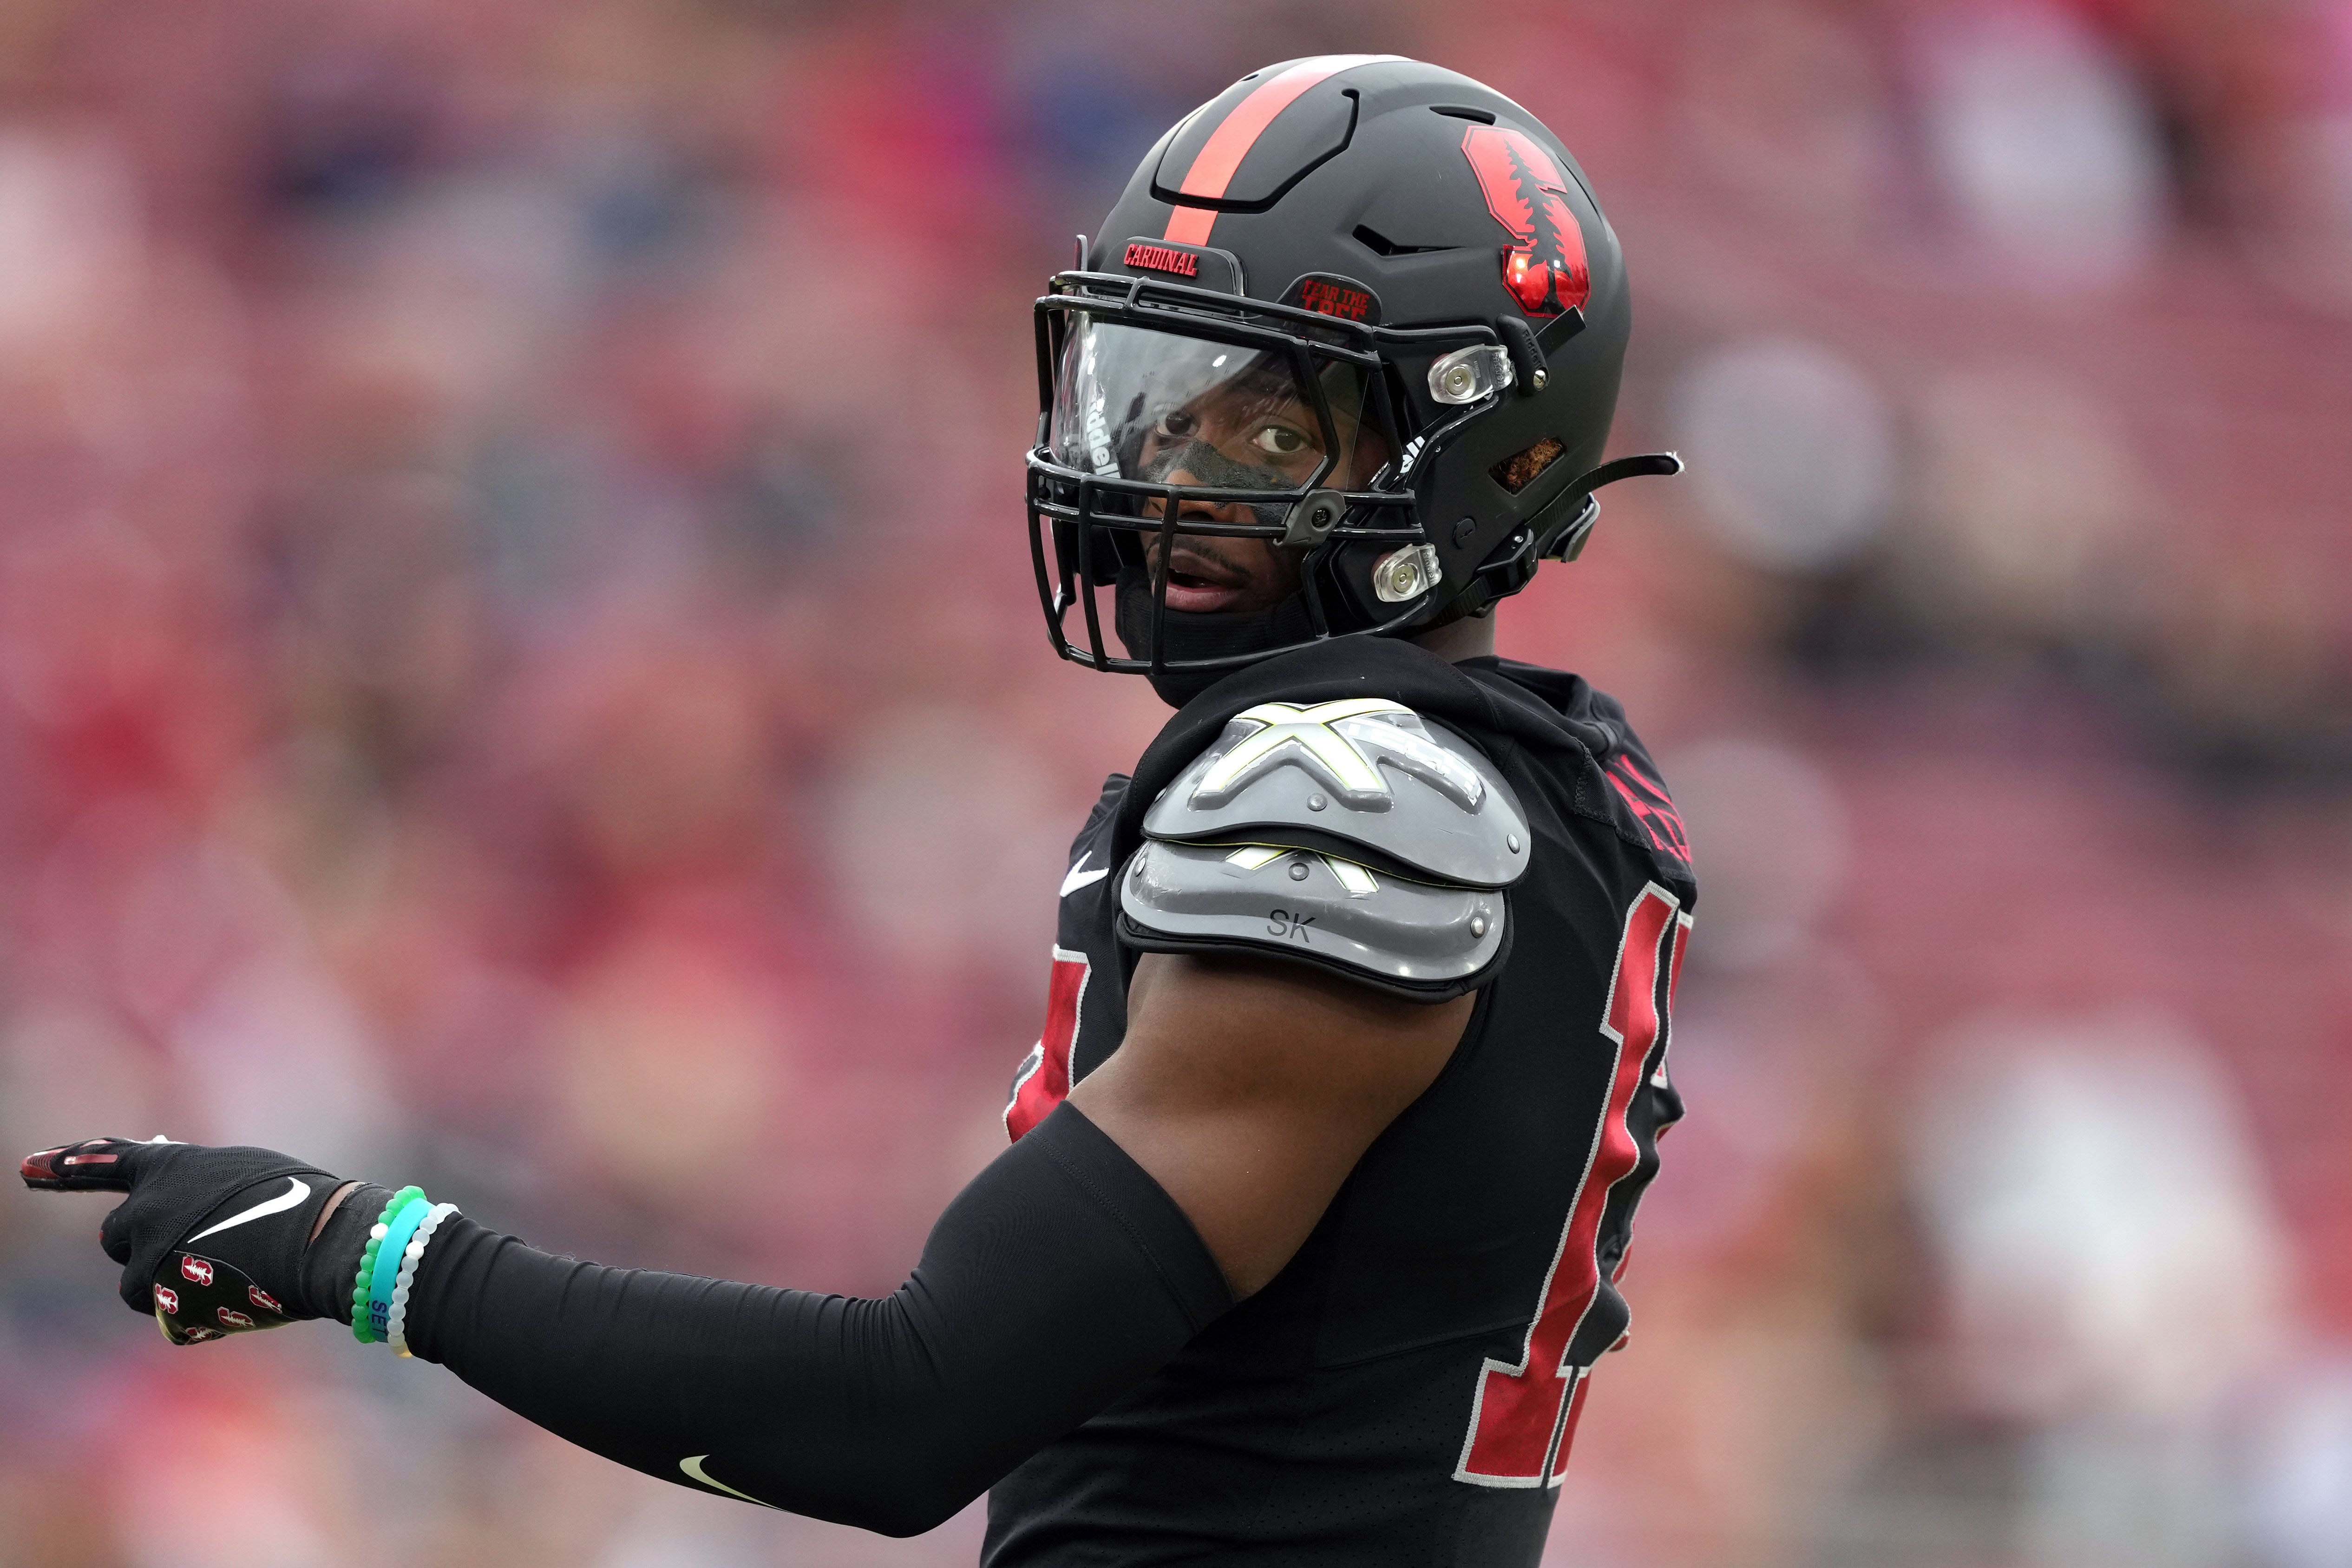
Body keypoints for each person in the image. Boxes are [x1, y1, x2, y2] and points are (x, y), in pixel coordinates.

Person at [22, 55, 1696, 1567]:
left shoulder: (1355, 805)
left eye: (1267, 418)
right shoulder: (1544, 784)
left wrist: (370, 1252)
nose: (1171, 469)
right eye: (1164, 390)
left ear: (1483, 448)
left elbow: (905, 1414)